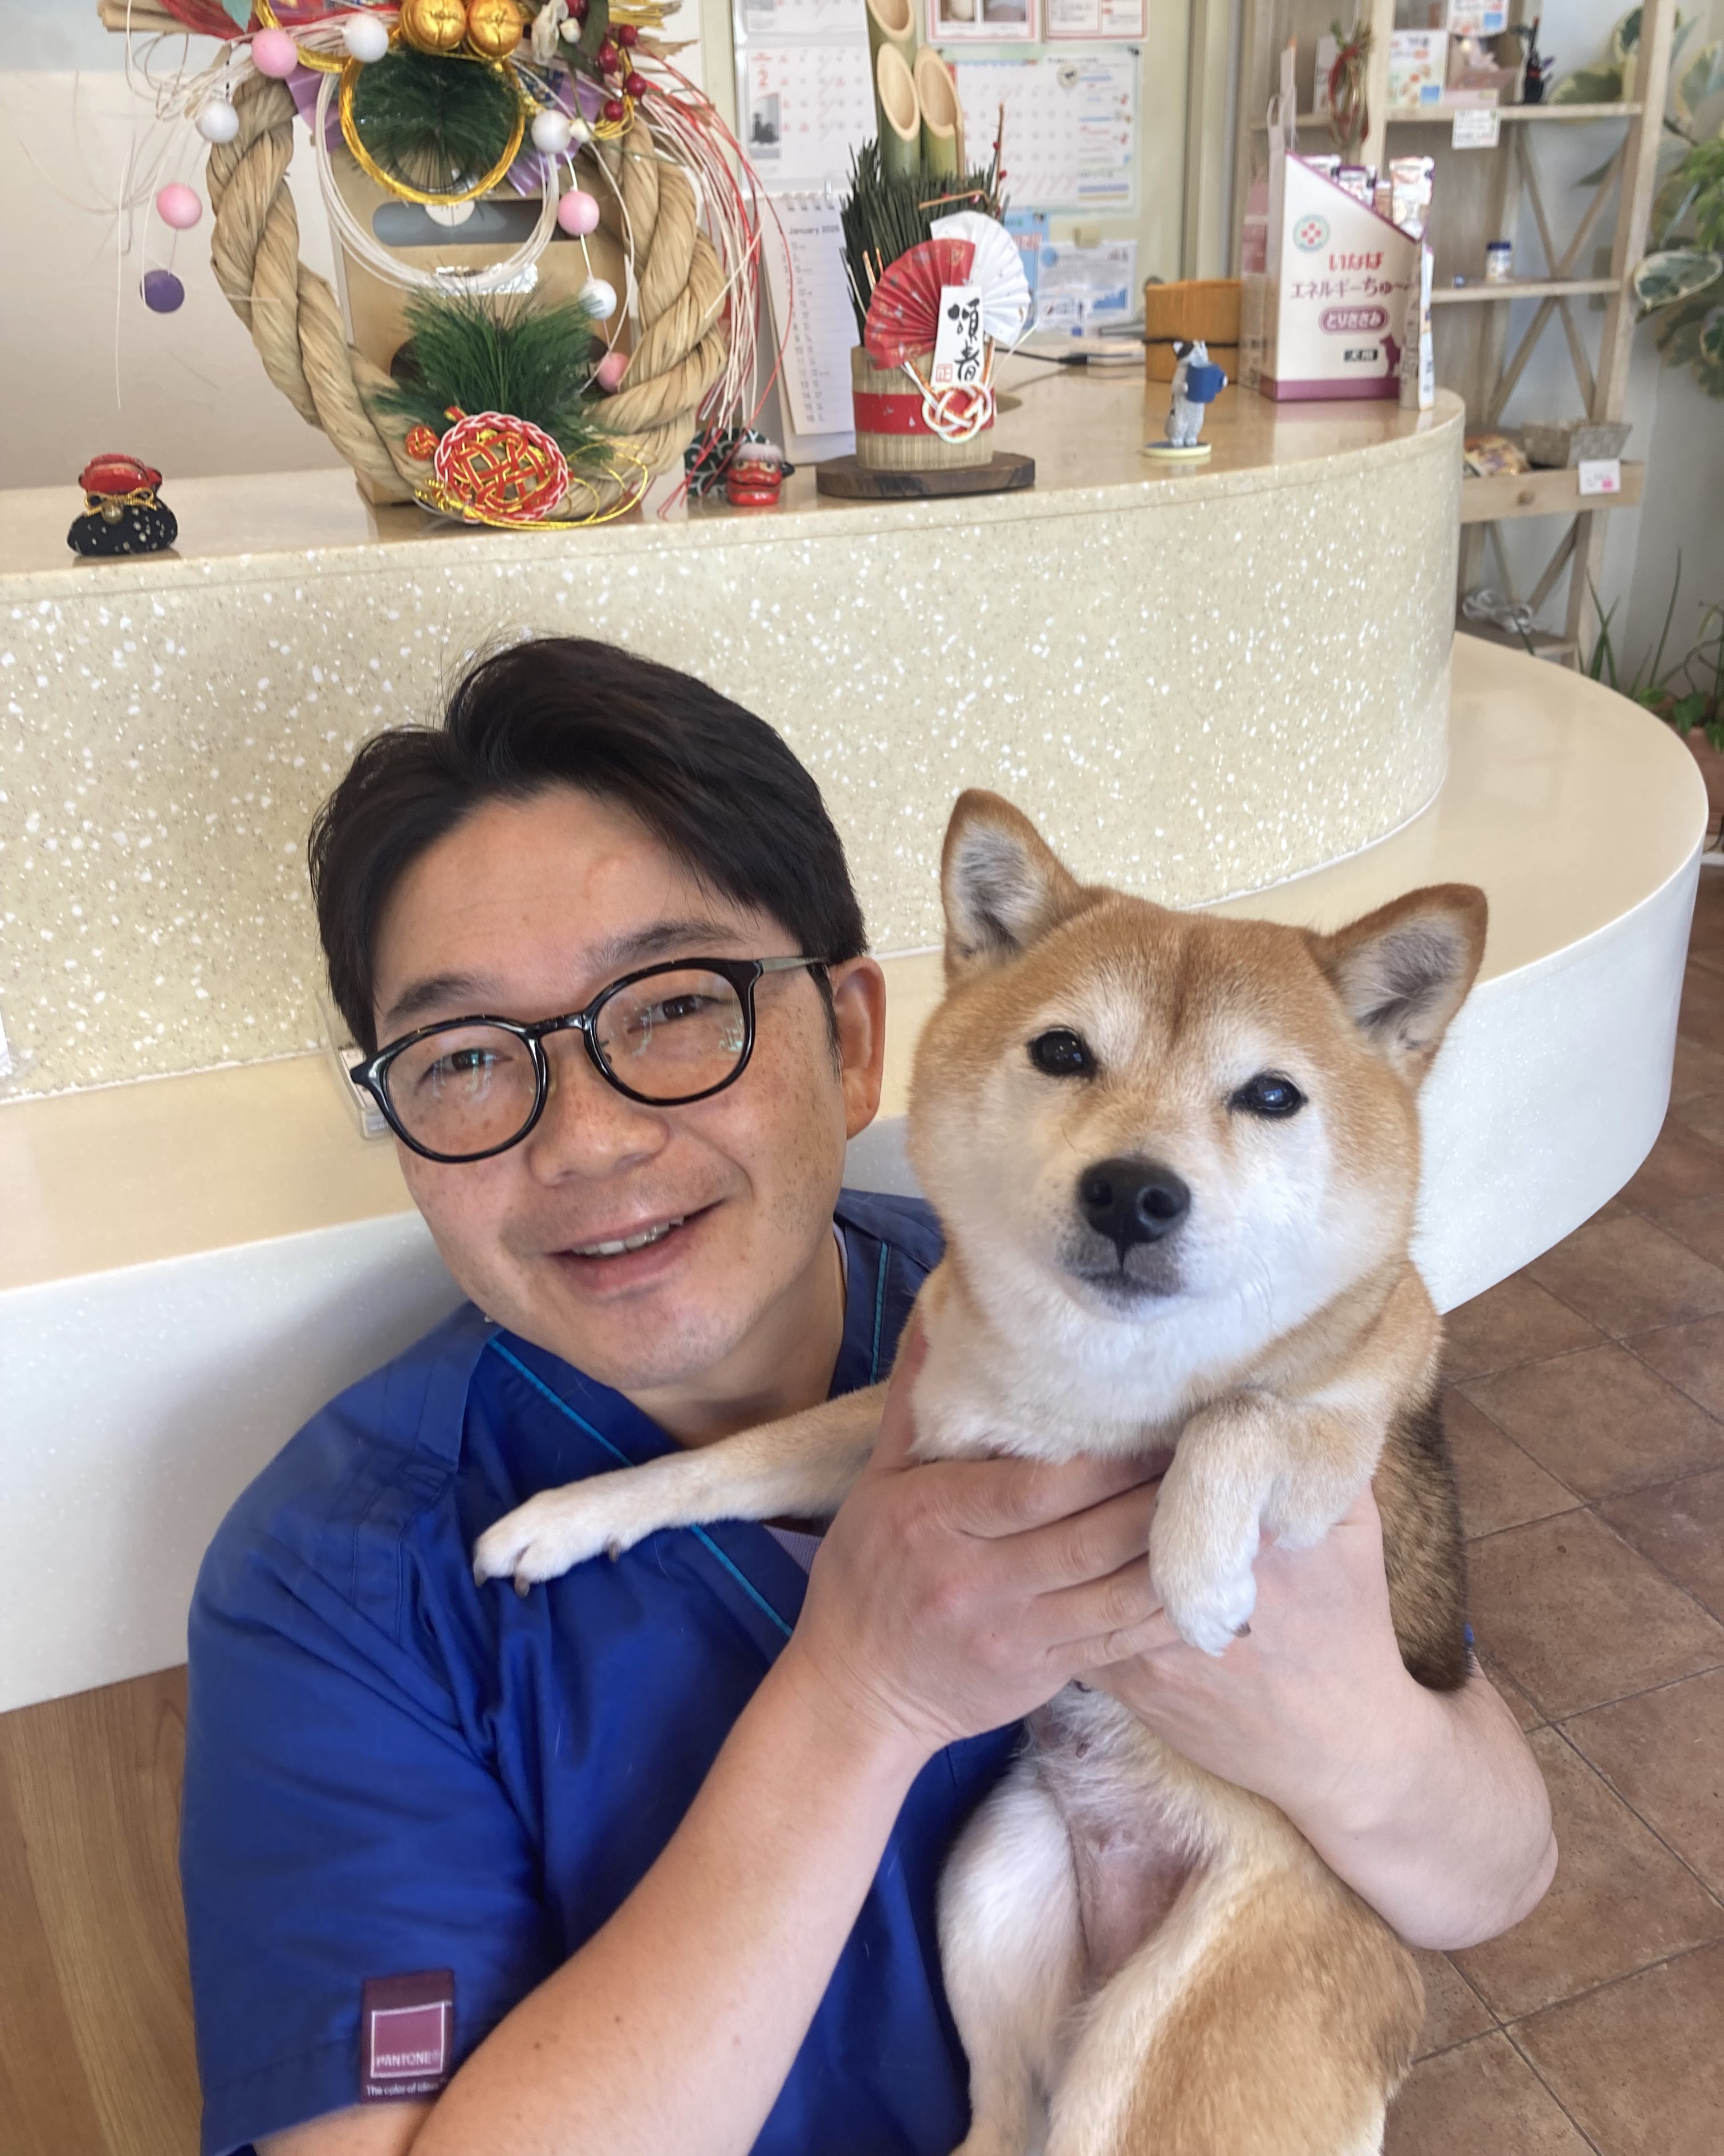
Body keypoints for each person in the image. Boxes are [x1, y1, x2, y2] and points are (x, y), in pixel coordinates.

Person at [180, 637, 1556, 2156]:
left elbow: (1496, 1873)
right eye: (460, 1058)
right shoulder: (339, 1590)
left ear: (850, 1040)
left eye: (672, 1007)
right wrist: (864, 1695)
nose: (585, 1141)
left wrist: (1341, 1728)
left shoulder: (1112, 1320)